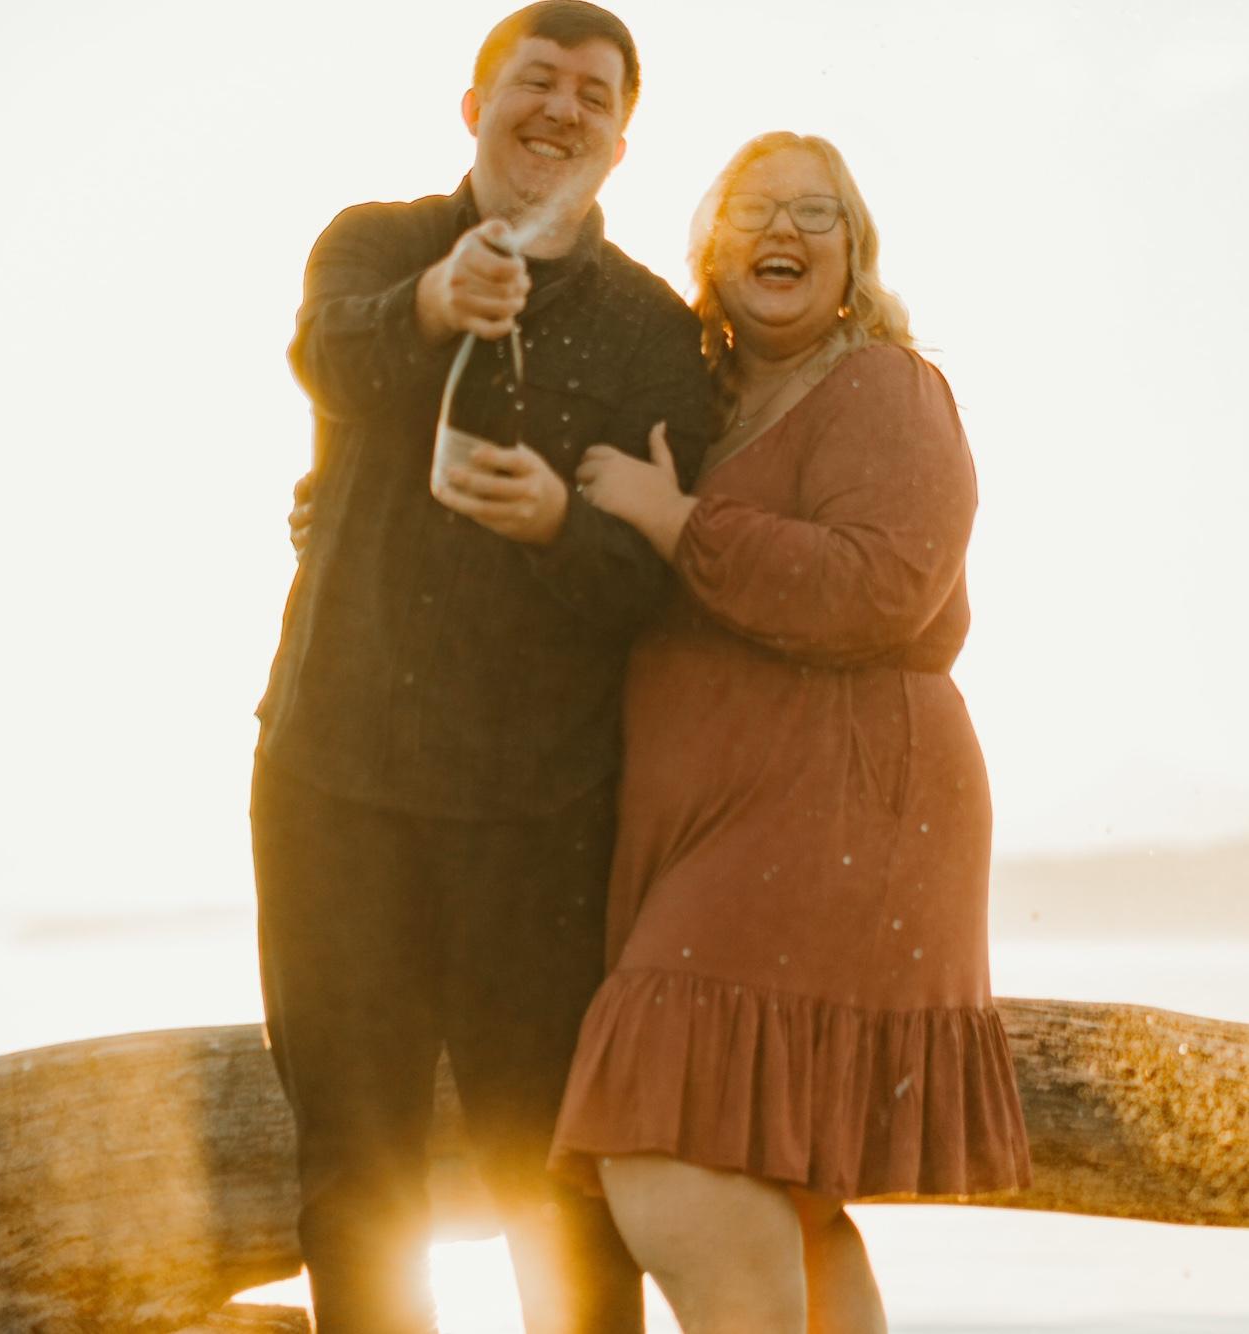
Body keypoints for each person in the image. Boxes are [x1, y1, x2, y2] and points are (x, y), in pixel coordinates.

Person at [252, 4, 715, 1331]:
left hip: (539, 821)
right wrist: (431, 302)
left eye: (593, 95)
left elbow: (663, 585)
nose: (561, 108)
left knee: (557, 1189)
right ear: (474, 106)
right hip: (332, 791)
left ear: (619, 144)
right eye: (536, 80)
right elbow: (325, 352)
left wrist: (560, 524)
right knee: (355, 1180)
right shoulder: (374, 242)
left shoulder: (655, 335)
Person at [549, 132, 1033, 1333]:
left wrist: (678, 523)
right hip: (740, 829)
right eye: (753, 210)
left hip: (846, 814)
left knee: (665, 1137)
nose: (782, 230)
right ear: (709, 252)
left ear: (853, 252)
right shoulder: (701, 402)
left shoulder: (885, 385)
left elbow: (884, 585)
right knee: (779, 1191)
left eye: (814, 213)